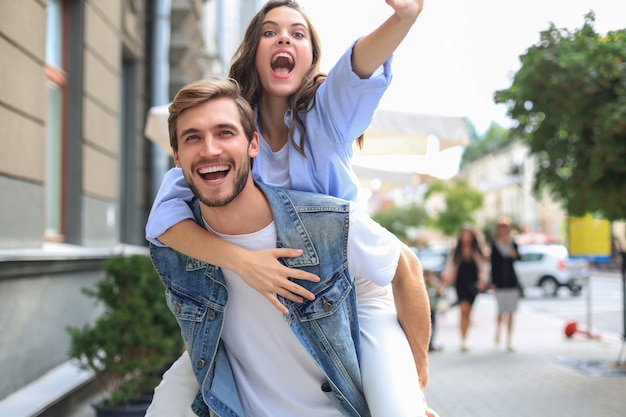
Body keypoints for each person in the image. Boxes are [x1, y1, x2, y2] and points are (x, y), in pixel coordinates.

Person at [147, 78, 435, 416]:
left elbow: (408, 269)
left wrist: (416, 383)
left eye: (225, 133)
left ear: (253, 144)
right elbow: (199, 332)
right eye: (193, 137)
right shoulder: (177, 245)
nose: (210, 149)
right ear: (177, 157)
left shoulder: (325, 223)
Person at [441, 225, 488, 352]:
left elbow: (483, 267)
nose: (466, 237)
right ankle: (463, 339)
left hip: (473, 285)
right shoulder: (456, 251)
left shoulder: (477, 251)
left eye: (469, 235)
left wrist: (483, 281)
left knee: (468, 312)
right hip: (460, 284)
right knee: (463, 309)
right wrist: (444, 283)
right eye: (464, 234)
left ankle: (466, 335)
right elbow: (449, 267)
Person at [490, 215, 522, 352]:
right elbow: (492, 264)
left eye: (505, 227)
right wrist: (492, 281)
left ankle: (509, 339)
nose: (503, 230)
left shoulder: (513, 243)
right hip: (499, 282)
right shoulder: (495, 244)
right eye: (501, 227)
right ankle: (498, 331)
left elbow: (518, 258)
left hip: (511, 281)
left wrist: (513, 253)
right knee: (500, 310)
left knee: (511, 311)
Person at [423, 269, 444, 352]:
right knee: (425, 327)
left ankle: (431, 343)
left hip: (433, 308)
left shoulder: (434, 285)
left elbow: (441, 295)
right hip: (424, 309)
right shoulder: (422, 285)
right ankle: (426, 343)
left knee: (433, 327)